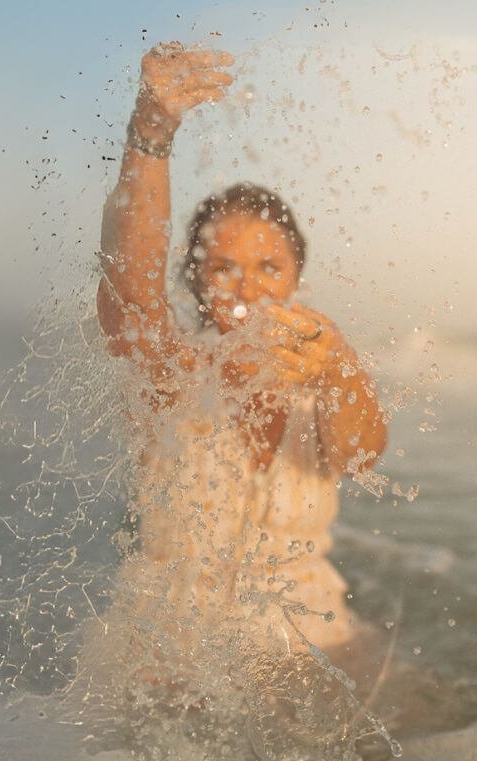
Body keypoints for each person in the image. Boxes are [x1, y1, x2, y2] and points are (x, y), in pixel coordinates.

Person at [93, 41, 387, 674]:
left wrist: (339, 365)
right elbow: (129, 295)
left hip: (313, 637)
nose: (248, 288)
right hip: (172, 648)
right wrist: (151, 134)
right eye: (222, 269)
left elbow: (362, 455)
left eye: (267, 267)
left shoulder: (323, 374)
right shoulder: (172, 373)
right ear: (196, 284)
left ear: (295, 279)